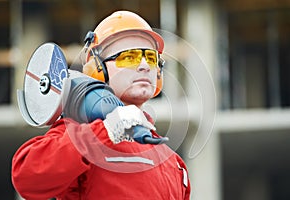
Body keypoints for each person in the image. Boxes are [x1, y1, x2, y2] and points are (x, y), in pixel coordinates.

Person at [12, 10, 191, 199]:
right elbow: (27, 176)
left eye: (152, 58)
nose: (145, 66)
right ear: (97, 68)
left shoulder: (174, 163)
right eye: (130, 57)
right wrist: (105, 130)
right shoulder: (81, 133)